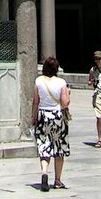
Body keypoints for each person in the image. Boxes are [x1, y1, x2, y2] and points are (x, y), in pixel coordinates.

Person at [31, 55, 71, 191]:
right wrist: (68, 94)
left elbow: (35, 101)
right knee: (58, 148)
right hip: (57, 117)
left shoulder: (38, 81)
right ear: (56, 68)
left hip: (42, 115)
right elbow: (65, 103)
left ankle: (44, 172)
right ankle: (58, 180)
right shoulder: (61, 83)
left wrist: (33, 117)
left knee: (44, 146)